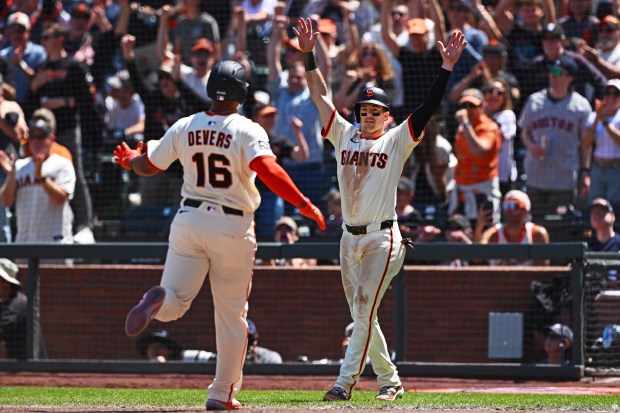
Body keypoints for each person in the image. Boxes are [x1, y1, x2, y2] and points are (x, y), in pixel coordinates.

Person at [116, 59, 325, 411]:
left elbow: (148, 166)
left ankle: (158, 297)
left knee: (174, 306)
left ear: (211, 88)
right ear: (243, 93)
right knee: (231, 315)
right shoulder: (247, 128)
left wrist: (130, 161)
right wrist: (303, 203)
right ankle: (220, 393)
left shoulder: (186, 125)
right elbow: (268, 168)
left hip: (189, 219)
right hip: (232, 224)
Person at [293, 17, 466, 401]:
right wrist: (308, 57)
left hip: (382, 237)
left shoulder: (396, 140)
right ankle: (391, 382)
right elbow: (321, 97)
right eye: (364, 111)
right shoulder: (343, 134)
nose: (369, 116)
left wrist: (447, 69)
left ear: (387, 116)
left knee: (362, 310)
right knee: (362, 315)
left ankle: (343, 384)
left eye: (376, 111)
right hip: (348, 238)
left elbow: (428, 107)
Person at [518, 55, 593, 219]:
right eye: (551, 71)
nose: (552, 75)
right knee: (536, 225)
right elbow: (524, 131)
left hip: (564, 179)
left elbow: (586, 144)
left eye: (558, 72)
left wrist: (585, 172)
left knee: (561, 228)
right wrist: (531, 146)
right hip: (536, 177)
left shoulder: (581, 106)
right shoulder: (534, 101)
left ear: (570, 78)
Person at [0, 109, 76, 246]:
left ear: (51, 137)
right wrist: (11, 176)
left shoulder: (62, 163)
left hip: (55, 243)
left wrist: (41, 177)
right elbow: (5, 202)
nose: (36, 141)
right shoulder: (19, 166)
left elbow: (59, 199)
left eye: (41, 136)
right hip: (25, 243)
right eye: (33, 136)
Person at [450, 88, 502, 223]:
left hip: (483, 189)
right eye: (464, 106)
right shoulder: (462, 128)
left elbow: (479, 151)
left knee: (485, 230)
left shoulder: (489, 127)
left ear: (482, 106)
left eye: (472, 105)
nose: (468, 110)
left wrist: (466, 125)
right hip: (463, 188)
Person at [478, 190, 551, 265]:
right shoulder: (493, 233)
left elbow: (541, 270)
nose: (508, 210)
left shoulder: (536, 234)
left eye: (513, 205)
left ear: (525, 210)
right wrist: (479, 226)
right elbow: (477, 258)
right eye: (506, 205)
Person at [582, 79, 620, 212]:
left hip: (617, 171)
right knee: (596, 207)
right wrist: (597, 119)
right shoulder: (593, 117)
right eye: (608, 92)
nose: (611, 97)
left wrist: (604, 121)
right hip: (597, 170)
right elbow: (586, 144)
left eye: (616, 93)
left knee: (616, 210)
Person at [0, 259, 26, 359]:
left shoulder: (17, 305)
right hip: (17, 368)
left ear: (5, 283)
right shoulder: (7, 302)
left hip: (29, 371)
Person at [136, 330, 215, 363]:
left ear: (170, 350)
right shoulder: (143, 369)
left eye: (159, 347)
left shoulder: (186, 357)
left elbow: (215, 359)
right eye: (152, 347)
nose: (155, 351)